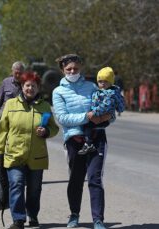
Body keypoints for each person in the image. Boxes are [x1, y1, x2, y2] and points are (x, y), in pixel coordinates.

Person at [52, 54, 111, 229]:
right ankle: (74, 215)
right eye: (68, 69)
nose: (72, 71)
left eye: (75, 69)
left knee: (95, 178)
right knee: (76, 180)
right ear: (62, 70)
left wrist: (107, 118)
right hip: (74, 141)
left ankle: (98, 219)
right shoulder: (58, 92)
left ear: (81, 68)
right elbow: (62, 118)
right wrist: (87, 117)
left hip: (96, 138)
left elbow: (107, 110)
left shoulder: (92, 87)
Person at [0, 71, 59, 229]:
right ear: (22, 87)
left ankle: (33, 215)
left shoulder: (44, 106)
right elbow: (2, 130)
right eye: (27, 85)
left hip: (36, 156)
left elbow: (54, 128)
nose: (30, 88)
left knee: (34, 189)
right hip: (14, 154)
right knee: (16, 184)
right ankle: (18, 219)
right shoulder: (10, 104)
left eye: (33, 86)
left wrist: (47, 132)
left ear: (38, 88)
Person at [78, 67, 125, 155]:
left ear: (111, 82)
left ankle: (88, 144)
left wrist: (94, 112)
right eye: (100, 81)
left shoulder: (110, 94)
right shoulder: (100, 91)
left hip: (103, 118)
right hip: (98, 116)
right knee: (88, 126)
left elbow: (104, 106)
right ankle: (89, 142)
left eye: (105, 81)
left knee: (87, 125)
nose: (102, 84)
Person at [0, 61, 25, 128]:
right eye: (16, 73)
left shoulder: (27, 85)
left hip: (22, 121)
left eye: (20, 73)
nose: (17, 75)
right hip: (6, 120)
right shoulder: (6, 82)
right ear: (12, 71)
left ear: (24, 73)